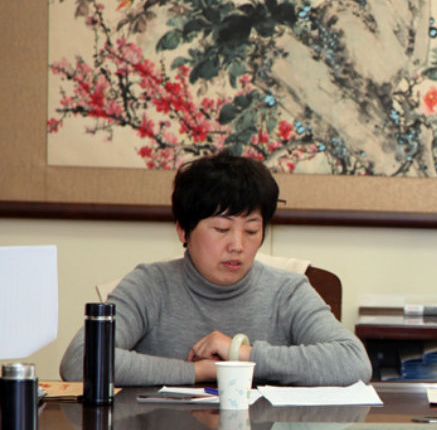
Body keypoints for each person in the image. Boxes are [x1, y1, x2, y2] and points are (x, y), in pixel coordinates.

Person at [60, 153, 372, 386]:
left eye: (252, 231)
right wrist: (196, 372)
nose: (237, 245)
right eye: (222, 229)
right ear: (183, 230)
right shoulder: (149, 285)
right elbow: (79, 361)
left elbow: (354, 362)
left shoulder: (287, 291)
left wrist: (239, 354)